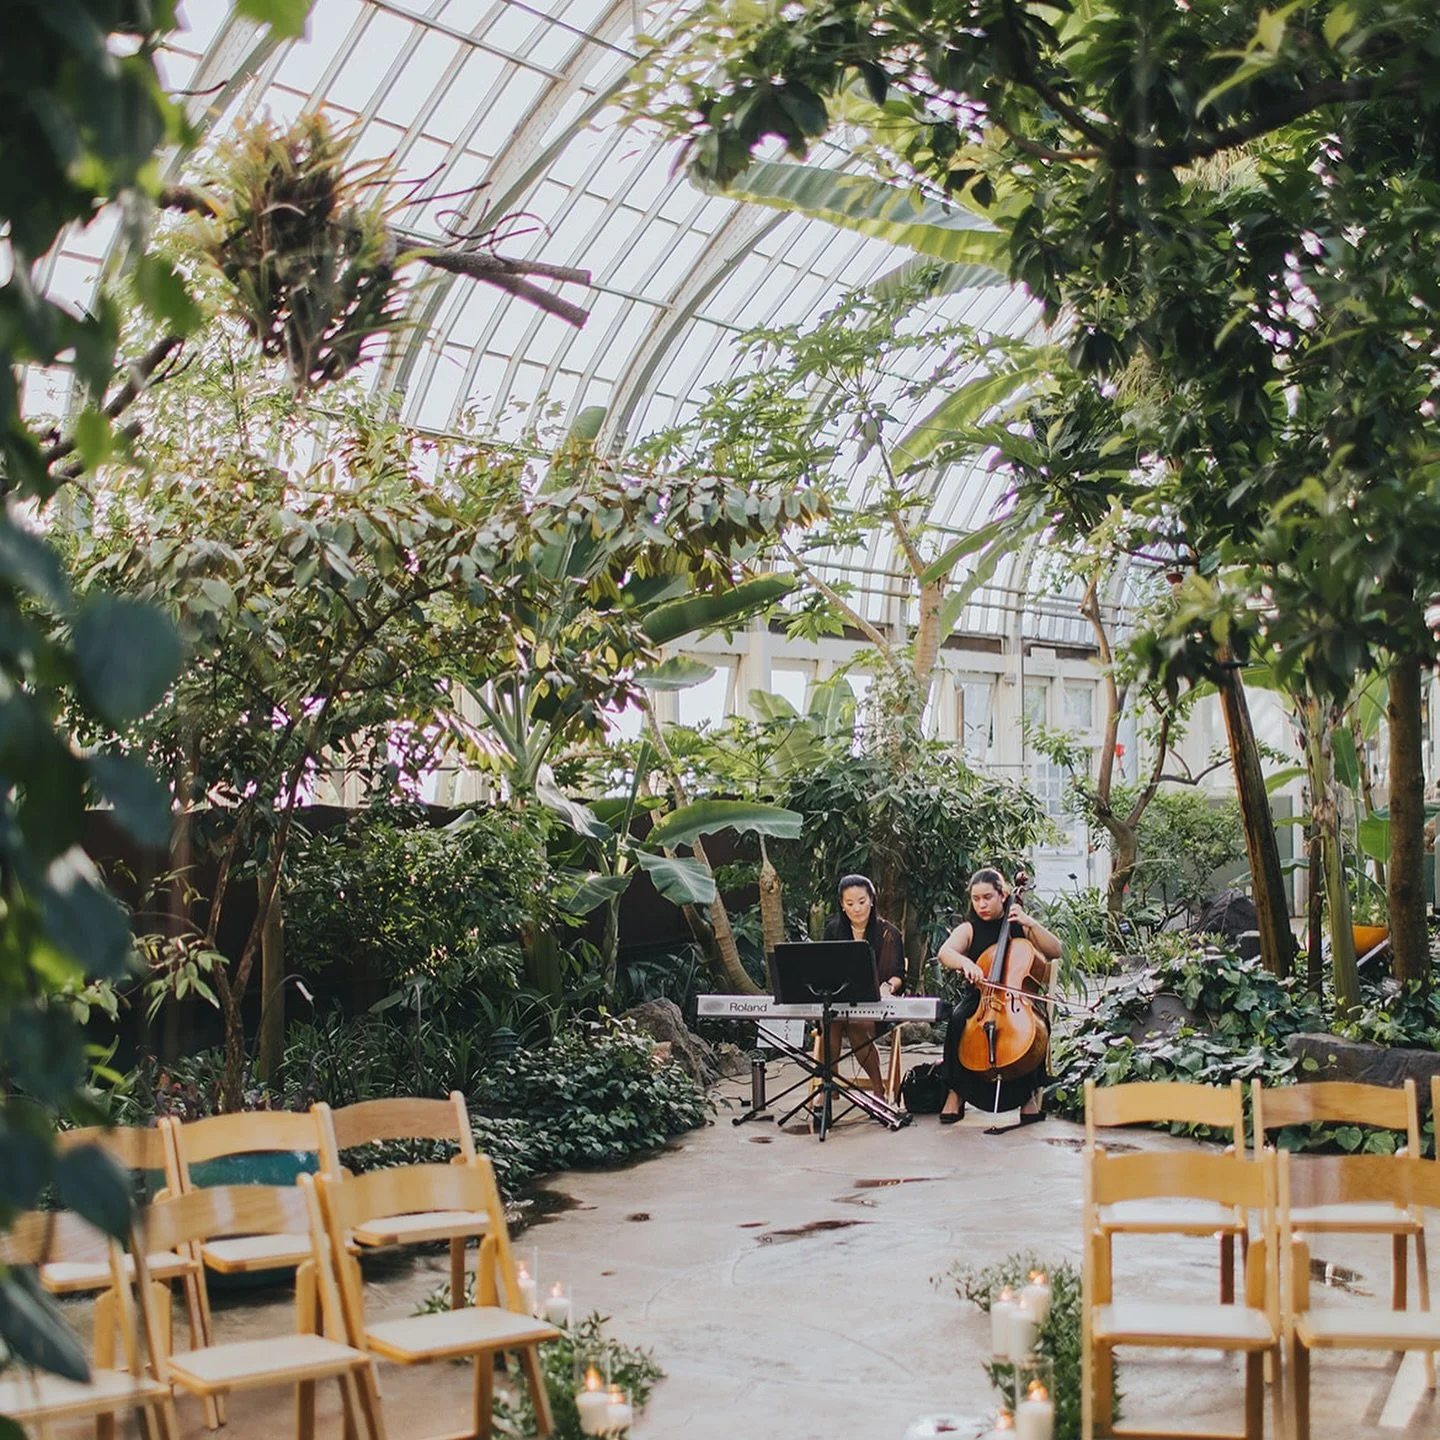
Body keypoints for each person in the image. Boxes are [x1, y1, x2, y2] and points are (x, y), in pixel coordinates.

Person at [935, 867, 1061, 1131]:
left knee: (1037, 1025)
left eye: (987, 897)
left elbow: (1055, 950)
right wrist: (965, 962)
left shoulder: (1020, 926)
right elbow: (946, 952)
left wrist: (1031, 923)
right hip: (982, 999)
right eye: (976, 899)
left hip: (1016, 999)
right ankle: (955, 1094)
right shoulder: (969, 928)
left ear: (1003, 895)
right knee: (958, 1019)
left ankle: (1027, 1098)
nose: (981, 904)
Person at [820, 873, 905, 1094]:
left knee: (857, 1025)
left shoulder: (889, 933)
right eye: (850, 903)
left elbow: (898, 975)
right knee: (829, 1022)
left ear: (872, 900)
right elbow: (824, 965)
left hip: (875, 1005)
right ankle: (828, 1085)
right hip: (841, 999)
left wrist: (887, 986)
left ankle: (878, 1088)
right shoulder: (833, 930)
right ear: (842, 905)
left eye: (861, 902)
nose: (857, 908)